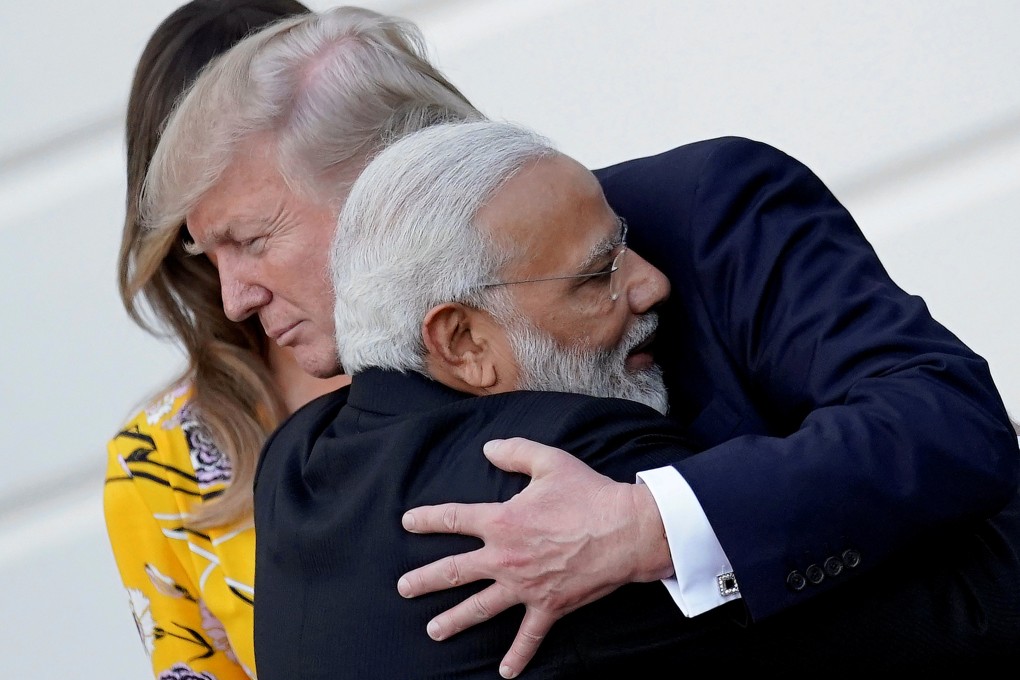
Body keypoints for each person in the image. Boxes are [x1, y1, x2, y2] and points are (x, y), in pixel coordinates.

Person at [139, 6, 1020, 678]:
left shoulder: (707, 213)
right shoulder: (317, 463)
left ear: (392, 181)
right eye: (207, 254)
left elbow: (946, 419)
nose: (234, 297)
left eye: (252, 239)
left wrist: (652, 525)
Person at [102, 2, 350, 678]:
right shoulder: (160, 460)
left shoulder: (509, 329)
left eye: (252, 229)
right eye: (205, 236)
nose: (237, 285)